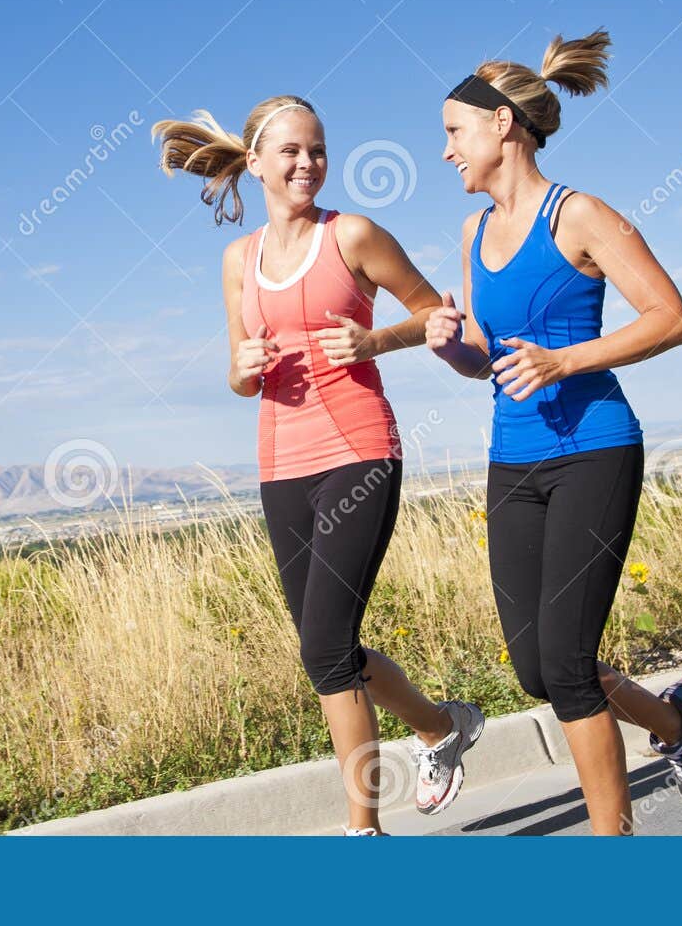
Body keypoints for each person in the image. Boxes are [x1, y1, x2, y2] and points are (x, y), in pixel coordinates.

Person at [156, 94, 483, 835]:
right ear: (257, 163)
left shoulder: (355, 235)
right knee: (326, 645)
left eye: (318, 149)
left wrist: (375, 342)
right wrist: (242, 367)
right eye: (292, 152)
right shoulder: (239, 260)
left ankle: (361, 831)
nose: (308, 163)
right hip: (281, 462)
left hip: (360, 451)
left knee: (327, 648)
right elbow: (242, 377)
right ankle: (440, 727)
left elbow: (436, 315)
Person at [424, 31, 682, 835]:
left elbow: (672, 317)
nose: (446, 150)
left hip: (594, 447)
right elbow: (490, 358)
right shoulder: (471, 234)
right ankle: (676, 723)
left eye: (455, 131)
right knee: (537, 669)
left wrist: (566, 362)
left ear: (502, 127)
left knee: (567, 664)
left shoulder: (578, 213)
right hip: (512, 459)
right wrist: (456, 348)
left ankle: (611, 846)